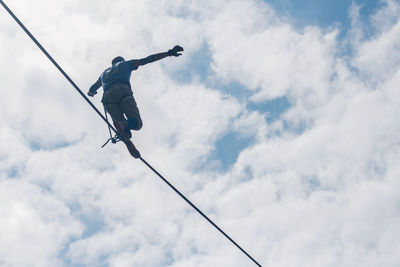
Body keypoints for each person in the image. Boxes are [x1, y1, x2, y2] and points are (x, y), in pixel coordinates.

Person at [87, 45, 184, 148]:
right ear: (121, 60)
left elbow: (93, 88)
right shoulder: (126, 64)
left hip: (107, 98)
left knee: (121, 124)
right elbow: (149, 59)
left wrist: (91, 93)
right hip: (122, 91)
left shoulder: (103, 74)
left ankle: (124, 134)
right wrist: (169, 53)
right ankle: (124, 126)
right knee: (137, 123)